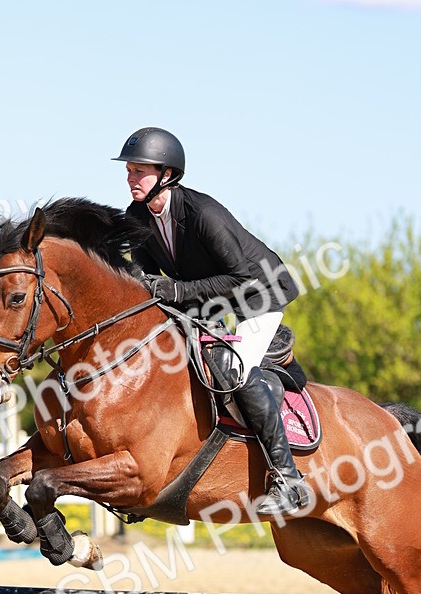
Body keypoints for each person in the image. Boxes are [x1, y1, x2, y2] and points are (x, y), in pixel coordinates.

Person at [114, 126, 310, 517]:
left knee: (232, 369)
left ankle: (289, 480)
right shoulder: (136, 217)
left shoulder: (204, 213)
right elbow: (148, 280)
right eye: (129, 171)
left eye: (140, 171)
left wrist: (175, 292)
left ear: (166, 175)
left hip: (258, 295)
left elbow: (241, 277)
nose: (131, 178)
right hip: (208, 298)